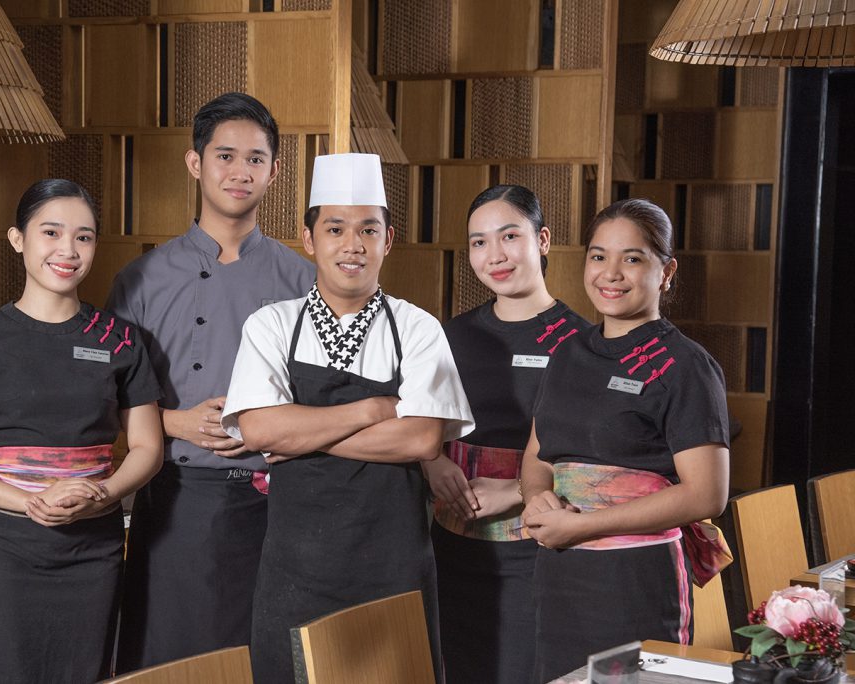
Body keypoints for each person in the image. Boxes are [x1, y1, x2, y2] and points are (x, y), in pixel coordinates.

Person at [221, 152, 475, 684]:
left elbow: (421, 440)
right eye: (335, 229)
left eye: (368, 230)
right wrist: (373, 408)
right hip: (296, 569)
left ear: (388, 239)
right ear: (309, 239)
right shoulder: (271, 325)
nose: (352, 244)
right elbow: (258, 429)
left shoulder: (418, 328)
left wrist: (297, 433)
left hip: (393, 567)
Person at [0, 179, 164, 683]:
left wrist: (103, 494)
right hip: (2, 546)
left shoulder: (121, 341)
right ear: (18, 239)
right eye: (51, 232)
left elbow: (147, 447)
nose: (67, 250)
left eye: (83, 237)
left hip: (92, 546)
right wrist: (29, 502)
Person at [108, 92, 316, 670]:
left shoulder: (304, 280)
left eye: (255, 159)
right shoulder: (141, 278)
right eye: (225, 156)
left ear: (275, 172)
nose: (240, 171)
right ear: (195, 163)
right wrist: (173, 421)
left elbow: (327, 398)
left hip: (277, 502)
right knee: (169, 661)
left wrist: (273, 429)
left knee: (264, 660)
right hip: (175, 500)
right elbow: (104, 397)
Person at [507, 198, 731, 681]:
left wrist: (583, 527)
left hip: (635, 578)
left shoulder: (687, 367)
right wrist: (536, 497)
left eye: (632, 258)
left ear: (666, 271)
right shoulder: (567, 353)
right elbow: (538, 456)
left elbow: (707, 494)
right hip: (558, 573)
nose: (611, 273)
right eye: (598, 256)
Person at [422, 185, 590, 683]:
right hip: (450, 542)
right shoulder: (450, 337)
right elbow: (418, 421)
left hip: (537, 547)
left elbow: (598, 457)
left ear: (543, 240)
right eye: (479, 242)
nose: (494, 255)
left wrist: (518, 489)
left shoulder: (582, 342)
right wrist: (432, 461)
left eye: (509, 236)